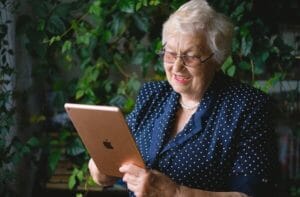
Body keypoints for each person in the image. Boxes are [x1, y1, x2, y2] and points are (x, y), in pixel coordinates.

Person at [88, 0, 279, 196]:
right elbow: (112, 163)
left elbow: (255, 193)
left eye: (191, 56)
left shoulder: (248, 107)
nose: (177, 66)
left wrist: (176, 193)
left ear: (216, 58)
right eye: (170, 54)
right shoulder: (152, 95)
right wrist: (102, 168)